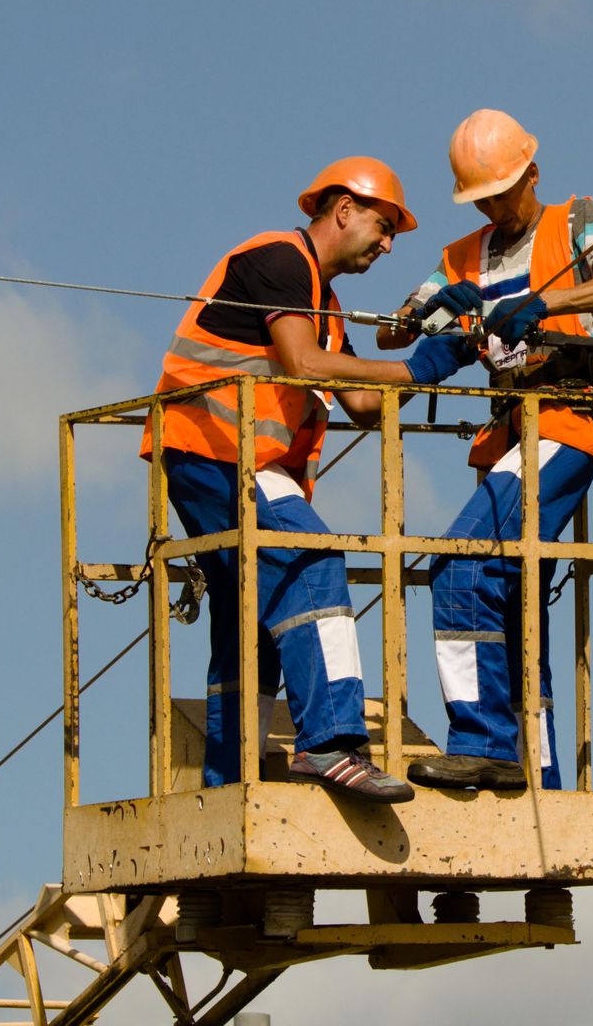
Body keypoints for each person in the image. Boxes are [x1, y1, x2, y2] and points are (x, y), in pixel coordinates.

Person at [140, 156, 433, 803]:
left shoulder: (323, 304)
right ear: (343, 208)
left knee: (252, 616)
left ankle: (229, 778)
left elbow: (361, 406)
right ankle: (330, 742)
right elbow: (302, 361)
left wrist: (438, 359)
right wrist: (410, 372)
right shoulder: (279, 259)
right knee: (308, 561)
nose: (387, 245)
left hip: (221, 458)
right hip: (219, 450)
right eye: (384, 227)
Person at [378, 109, 593, 791]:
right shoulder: (462, 255)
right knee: (511, 602)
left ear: (532, 173)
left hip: (565, 420)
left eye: (501, 193)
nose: (494, 208)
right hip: (505, 434)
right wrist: (432, 311)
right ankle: (540, 771)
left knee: (461, 568)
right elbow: (393, 331)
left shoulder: (577, 218)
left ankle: (484, 741)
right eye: (481, 199)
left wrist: (547, 303)